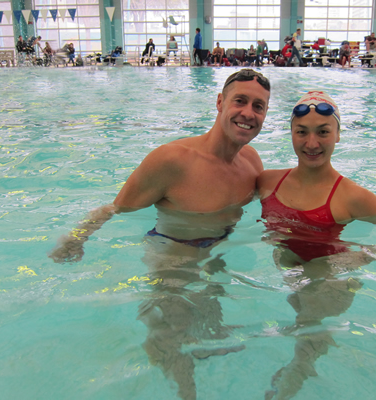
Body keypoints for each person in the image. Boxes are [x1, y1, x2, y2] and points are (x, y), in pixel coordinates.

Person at [49, 69, 270, 399]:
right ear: (220, 102)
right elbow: (116, 207)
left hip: (215, 261)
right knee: (171, 342)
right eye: (240, 101)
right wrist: (76, 237)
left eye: (259, 106)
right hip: (173, 263)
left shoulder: (251, 163)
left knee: (211, 332)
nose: (248, 113)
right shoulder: (172, 160)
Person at [258, 90, 376, 399]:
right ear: (291, 133)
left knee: (307, 333)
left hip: (328, 278)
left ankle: (294, 381)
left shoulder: (352, 196)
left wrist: (363, 258)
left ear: (338, 135)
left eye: (323, 132)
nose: (311, 143)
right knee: (303, 322)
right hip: (291, 269)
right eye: (302, 132)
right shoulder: (266, 181)